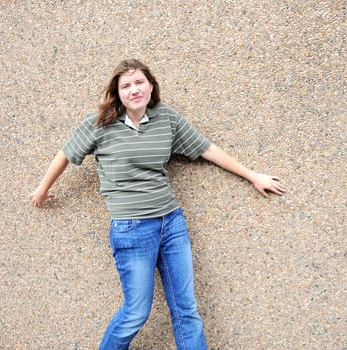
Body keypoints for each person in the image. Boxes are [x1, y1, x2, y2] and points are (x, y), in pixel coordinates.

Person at [31, 59, 286, 350]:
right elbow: (66, 154)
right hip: (131, 229)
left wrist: (253, 176)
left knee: (186, 310)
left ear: (151, 85)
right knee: (136, 313)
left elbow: (207, 149)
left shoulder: (166, 118)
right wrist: (42, 189)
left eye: (139, 82)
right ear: (118, 92)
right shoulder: (100, 123)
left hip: (172, 223)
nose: (134, 89)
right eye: (126, 85)